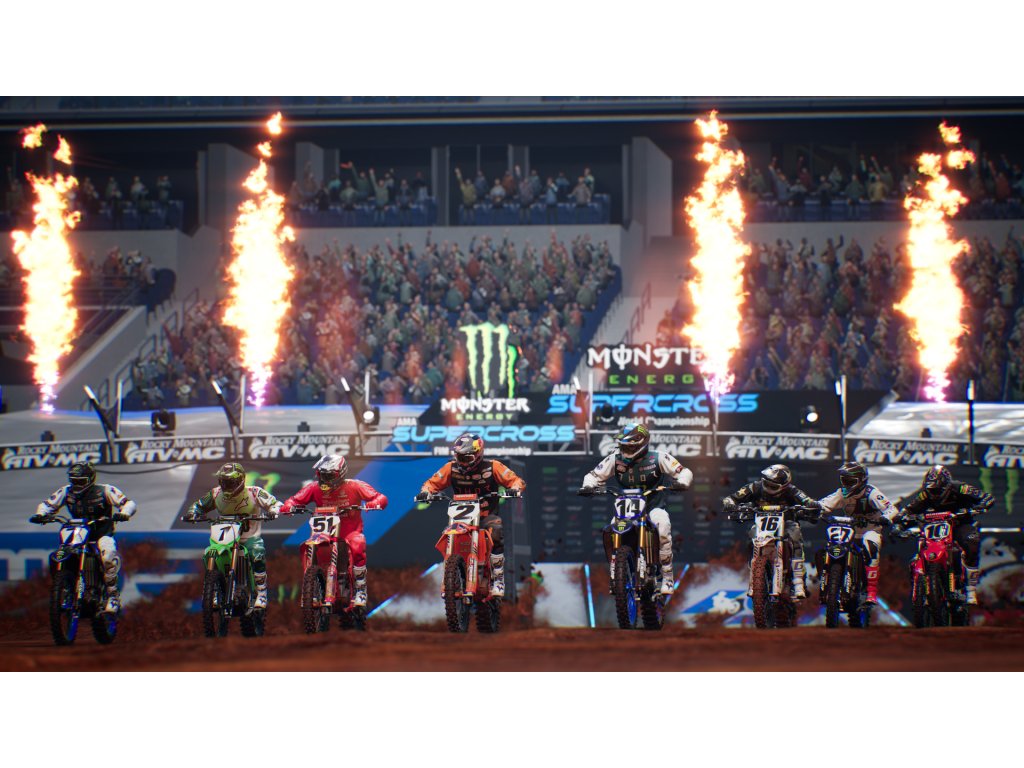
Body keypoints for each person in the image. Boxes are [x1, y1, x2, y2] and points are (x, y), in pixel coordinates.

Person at [579, 423, 692, 595]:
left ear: (641, 443)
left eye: (629, 446)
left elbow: (684, 471)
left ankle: (667, 576)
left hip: (653, 507)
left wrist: (682, 482)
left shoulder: (659, 458)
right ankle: (616, 574)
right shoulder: (615, 459)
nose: (625, 449)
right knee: (611, 530)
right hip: (627, 510)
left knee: (663, 527)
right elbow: (593, 475)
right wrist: (588, 486)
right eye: (623, 445)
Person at [415, 432, 525, 597]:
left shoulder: (493, 466)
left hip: (486, 515)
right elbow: (431, 483)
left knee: (496, 531)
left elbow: (516, 480)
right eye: (460, 457)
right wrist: (426, 492)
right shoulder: (450, 468)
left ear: (478, 454)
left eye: (467, 458)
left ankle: (498, 579)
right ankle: (451, 580)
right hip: (460, 518)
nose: (463, 462)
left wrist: (515, 489)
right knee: (448, 536)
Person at [279, 455, 388, 608]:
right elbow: (294, 500)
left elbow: (380, 497)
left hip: (350, 533)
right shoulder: (313, 487)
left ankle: (360, 589)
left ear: (340, 473)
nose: (325, 479)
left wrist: (374, 503)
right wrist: (289, 506)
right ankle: (312, 589)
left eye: (329, 475)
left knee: (358, 543)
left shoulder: (355, 485)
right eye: (322, 475)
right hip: (323, 533)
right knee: (307, 546)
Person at [30, 462, 137, 613]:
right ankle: (65, 588)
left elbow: (128, 503)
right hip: (77, 533)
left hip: (101, 534)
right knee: (59, 555)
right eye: (73, 481)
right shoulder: (66, 491)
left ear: (90, 479)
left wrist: (124, 513)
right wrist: (41, 514)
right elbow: (47, 504)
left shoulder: (105, 490)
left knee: (108, 557)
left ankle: (113, 595)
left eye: (80, 481)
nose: (76, 485)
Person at [183, 463, 282, 610]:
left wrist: (273, 511)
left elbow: (275, 503)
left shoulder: (254, 492)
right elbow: (199, 505)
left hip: (249, 536)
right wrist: (193, 513)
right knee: (210, 553)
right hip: (224, 537)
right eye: (224, 482)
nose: (227, 485)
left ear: (241, 480)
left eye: (231, 482)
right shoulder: (215, 493)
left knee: (256, 553)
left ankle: (261, 592)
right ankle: (213, 589)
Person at [898, 465, 994, 605]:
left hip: (960, 524)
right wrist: (900, 522)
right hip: (935, 527)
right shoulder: (925, 495)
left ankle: (970, 588)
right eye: (931, 490)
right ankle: (922, 585)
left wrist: (976, 509)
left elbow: (986, 498)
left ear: (947, 486)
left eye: (937, 490)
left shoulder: (960, 488)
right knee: (920, 548)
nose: (934, 493)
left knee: (971, 543)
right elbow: (908, 511)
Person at [722, 464, 821, 599]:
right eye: (766, 483)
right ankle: (756, 575)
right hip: (762, 523)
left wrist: (812, 505)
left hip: (786, 523)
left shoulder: (792, 490)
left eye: (773, 486)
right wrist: (729, 504)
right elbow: (732, 498)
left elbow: (807, 500)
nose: (768, 487)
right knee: (751, 537)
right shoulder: (755, 487)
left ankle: (798, 581)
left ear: (784, 486)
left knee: (796, 537)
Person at [818, 461, 897, 605]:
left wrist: (885, 518)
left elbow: (891, 509)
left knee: (870, 545)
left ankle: (871, 591)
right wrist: (814, 508)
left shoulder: (872, 493)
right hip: (851, 530)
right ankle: (827, 583)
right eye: (844, 480)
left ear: (861, 480)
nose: (846, 484)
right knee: (828, 548)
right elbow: (824, 504)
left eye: (850, 481)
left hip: (871, 529)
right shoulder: (841, 493)